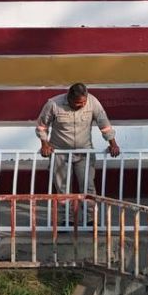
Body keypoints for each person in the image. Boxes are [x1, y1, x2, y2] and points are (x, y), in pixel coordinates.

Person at [36, 83, 121, 224]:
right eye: (77, 103)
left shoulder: (93, 102)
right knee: (62, 189)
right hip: (60, 153)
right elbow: (42, 126)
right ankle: (66, 220)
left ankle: (90, 219)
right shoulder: (53, 104)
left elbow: (104, 123)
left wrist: (113, 144)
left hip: (84, 152)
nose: (81, 105)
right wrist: (44, 144)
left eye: (84, 102)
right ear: (69, 98)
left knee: (88, 186)